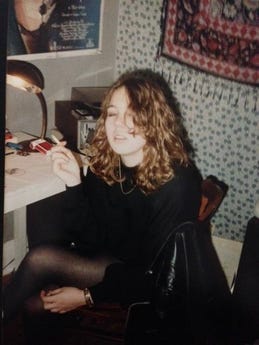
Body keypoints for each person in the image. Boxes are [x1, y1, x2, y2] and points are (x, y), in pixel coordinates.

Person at [3, 69, 202, 333]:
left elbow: (154, 275)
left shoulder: (178, 183)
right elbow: (93, 237)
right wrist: (74, 184)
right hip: (114, 258)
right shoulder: (109, 163)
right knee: (35, 300)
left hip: (146, 280)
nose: (118, 124)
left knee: (40, 263)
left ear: (155, 120)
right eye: (112, 113)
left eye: (133, 114)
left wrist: (86, 296)